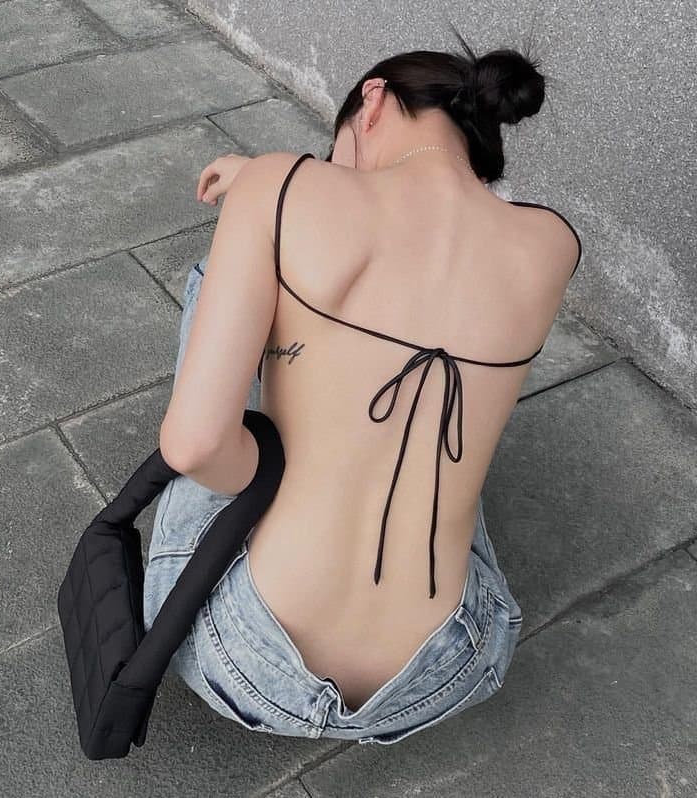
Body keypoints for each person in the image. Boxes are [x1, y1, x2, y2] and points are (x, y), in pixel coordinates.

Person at [143, 36, 582, 745]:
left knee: (221, 286)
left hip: (245, 656)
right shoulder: (553, 243)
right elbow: (422, 247)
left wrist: (270, 464)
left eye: (338, 151)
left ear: (371, 101)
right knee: (435, 421)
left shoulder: (283, 186)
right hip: (448, 671)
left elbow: (194, 448)